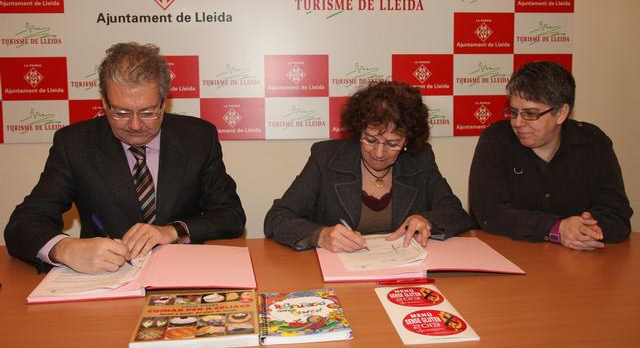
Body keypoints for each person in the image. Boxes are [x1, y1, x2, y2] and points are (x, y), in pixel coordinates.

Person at [4, 42, 245, 273]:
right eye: (121, 112)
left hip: (182, 273)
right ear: (104, 102)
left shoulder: (198, 137)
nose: (135, 125)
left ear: (164, 102)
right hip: (104, 279)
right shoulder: (75, 144)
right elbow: (23, 223)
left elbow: (230, 215)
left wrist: (173, 231)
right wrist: (64, 249)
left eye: (148, 112)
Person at [264, 81, 474, 252]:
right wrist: (320, 235)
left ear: (408, 141)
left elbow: (456, 214)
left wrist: (427, 220)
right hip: (339, 273)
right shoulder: (326, 158)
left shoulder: (420, 160)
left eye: (392, 143)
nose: (379, 153)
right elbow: (276, 218)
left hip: (403, 272)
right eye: (370, 140)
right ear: (359, 131)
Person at [469, 61, 632, 250]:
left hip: (579, 260)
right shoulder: (496, 140)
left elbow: (617, 213)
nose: (518, 123)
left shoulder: (593, 143)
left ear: (561, 113)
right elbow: (490, 214)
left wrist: (585, 230)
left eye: (530, 114)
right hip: (511, 255)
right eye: (513, 112)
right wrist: (558, 228)